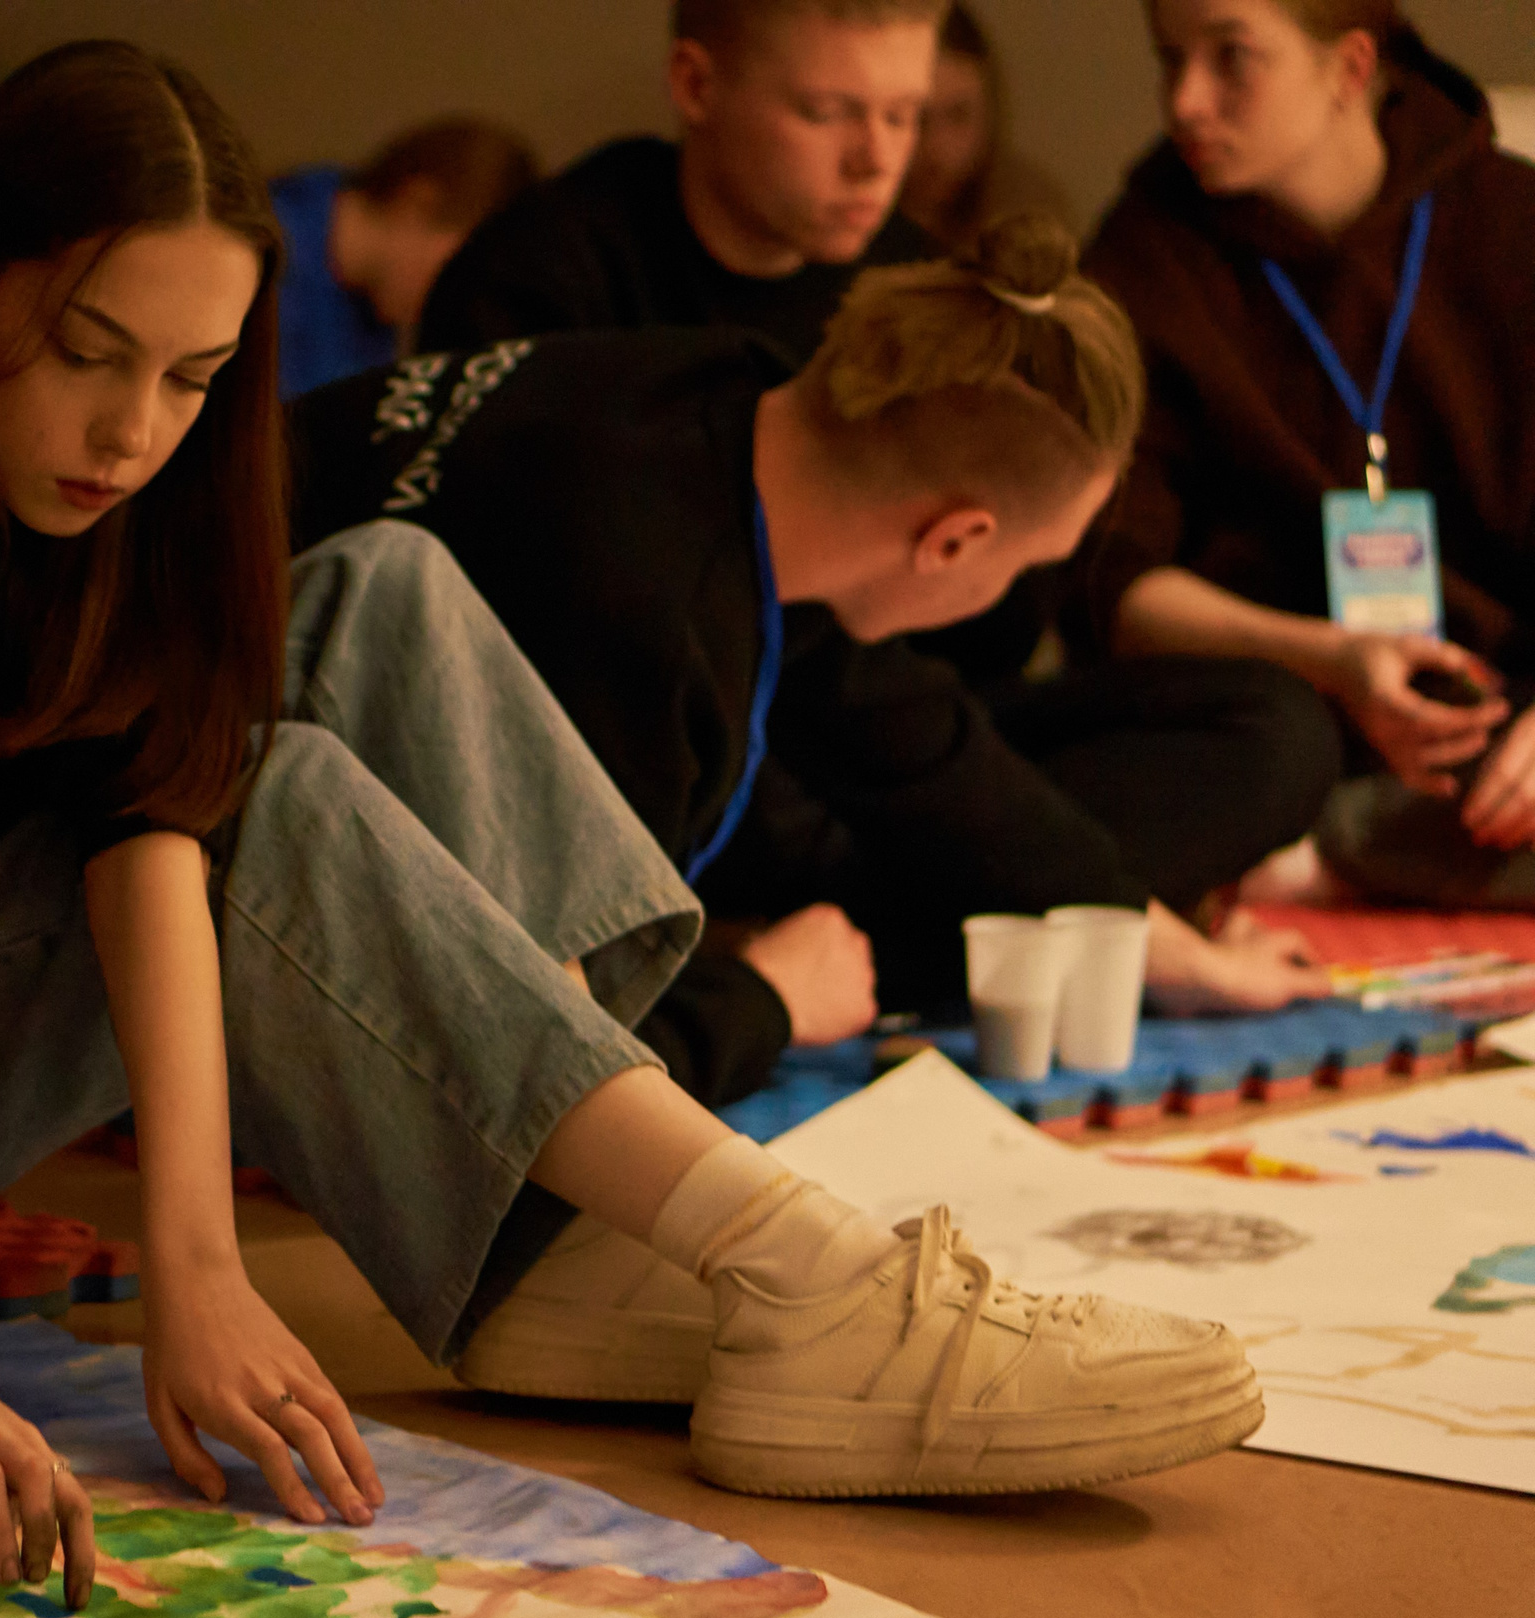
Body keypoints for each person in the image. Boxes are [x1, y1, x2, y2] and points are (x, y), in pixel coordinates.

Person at [0, 44, 1263, 1564]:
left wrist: (204, 1260)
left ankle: (559, 1241)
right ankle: (795, 1268)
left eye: (195, 378)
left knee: (381, 589)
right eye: (86, 355)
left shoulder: (138, 476)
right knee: (276, 806)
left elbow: (149, 810)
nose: (135, 432)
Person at [292, 218, 1329, 1401]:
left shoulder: (725, 398)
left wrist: (1152, 937)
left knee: (1260, 733)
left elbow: (906, 736)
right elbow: (532, 1093)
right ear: (954, 541)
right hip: (235, 908)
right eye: (1030, 566)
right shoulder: (630, 611)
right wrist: (770, 999)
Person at [1083, 1, 1535, 908]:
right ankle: (1361, 849)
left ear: (1350, 68)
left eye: (1232, 59)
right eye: (1169, 61)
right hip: (1282, 733)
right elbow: (1109, 581)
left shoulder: (1510, 223)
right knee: (1243, 756)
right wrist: (1328, 657)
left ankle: (1347, 859)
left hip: (1504, 727)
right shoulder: (1145, 257)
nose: (1185, 104)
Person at [415, 0, 944, 366]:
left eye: (902, 115)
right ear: (695, 86)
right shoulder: (530, 284)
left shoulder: (920, 294)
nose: (876, 161)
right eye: (825, 113)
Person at [271, 117, 537, 398]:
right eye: (461, 266)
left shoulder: (373, 326)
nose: (460, 296)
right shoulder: (260, 253)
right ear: (418, 204)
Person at [896, 3, 1070, 255]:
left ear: (990, 108)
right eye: (916, 117)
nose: (937, 146)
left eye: (958, 114)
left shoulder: (1028, 214)